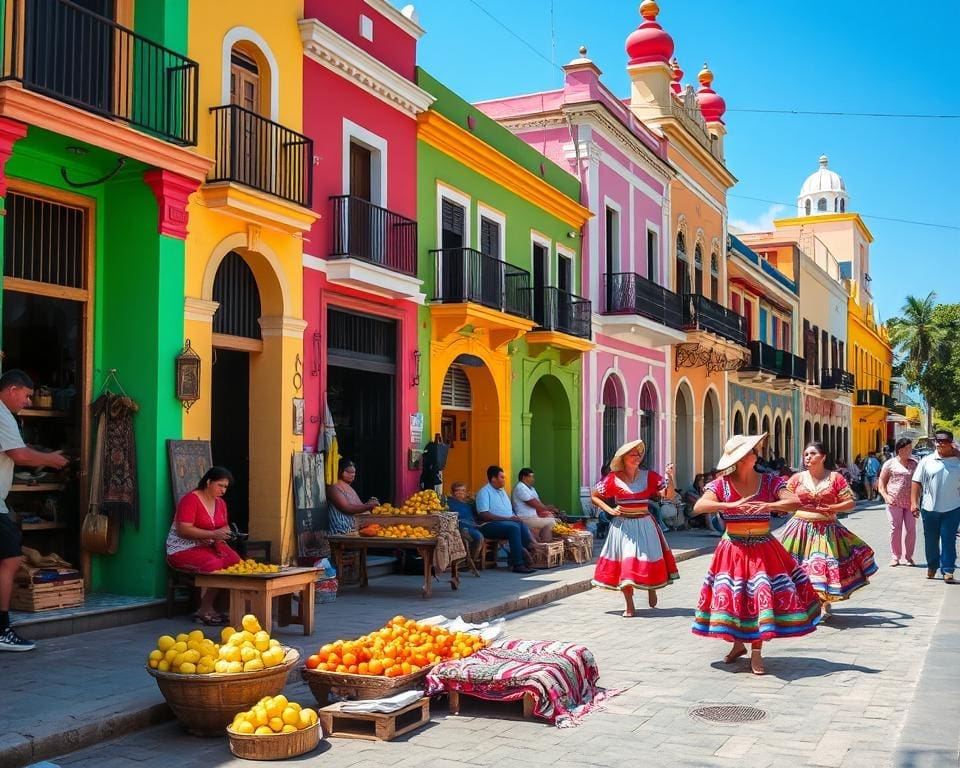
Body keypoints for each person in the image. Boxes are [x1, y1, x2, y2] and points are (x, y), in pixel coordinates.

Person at [691, 433, 820, 676]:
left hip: (763, 547)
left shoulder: (770, 482)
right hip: (733, 549)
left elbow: (793, 502)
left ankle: (757, 652)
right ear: (740, 459)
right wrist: (728, 506)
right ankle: (738, 645)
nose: (755, 454)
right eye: (751, 451)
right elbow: (699, 506)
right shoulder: (720, 485)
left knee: (760, 596)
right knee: (737, 597)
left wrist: (769, 505)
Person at [0, 370, 70, 651]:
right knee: (11, 559)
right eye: (27, 395)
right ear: (13, 389)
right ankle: (2, 629)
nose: (28, 402)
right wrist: (50, 460)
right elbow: (19, 454)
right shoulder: (2, 413)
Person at [778, 442, 877, 616]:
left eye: (813, 453)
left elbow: (850, 502)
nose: (808, 457)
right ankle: (807, 600)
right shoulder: (796, 479)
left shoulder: (835, 478)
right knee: (799, 567)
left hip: (826, 530)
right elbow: (784, 499)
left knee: (820, 566)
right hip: (799, 529)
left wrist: (833, 508)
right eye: (806, 454)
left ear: (823, 457)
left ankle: (821, 600)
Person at [590, 439, 678, 617]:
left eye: (639, 454)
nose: (637, 457)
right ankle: (629, 605)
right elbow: (595, 495)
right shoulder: (612, 478)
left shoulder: (650, 476)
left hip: (645, 524)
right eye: (633, 454)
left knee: (647, 559)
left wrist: (669, 477)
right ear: (623, 458)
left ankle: (650, 588)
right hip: (622, 527)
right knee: (627, 564)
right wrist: (610, 510)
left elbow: (668, 495)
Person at [165, 466, 242, 626]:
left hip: (210, 545)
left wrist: (221, 536)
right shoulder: (191, 499)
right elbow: (183, 529)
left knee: (235, 562)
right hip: (183, 548)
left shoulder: (220, 503)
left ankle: (222, 608)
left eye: (225, 487)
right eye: (220, 485)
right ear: (208, 482)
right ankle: (204, 609)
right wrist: (211, 535)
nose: (223, 490)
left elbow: (224, 527)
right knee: (215, 565)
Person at [911, 429, 960, 582]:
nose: (940, 444)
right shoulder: (927, 460)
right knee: (931, 540)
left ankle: (948, 570)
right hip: (929, 508)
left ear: (951, 443)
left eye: (944, 441)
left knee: (949, 538)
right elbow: (916, 482)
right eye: (938, 441)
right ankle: (932, 566)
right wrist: (914, 503)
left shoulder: (958, 461)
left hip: (953, 507)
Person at [475, 465, 536, 574]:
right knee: (513, 528)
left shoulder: (502, 492)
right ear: (493, 479)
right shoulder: (484, 492)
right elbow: (484, 515)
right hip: (489, 525)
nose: (504, 480)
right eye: (502, 477)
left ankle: (530, 555)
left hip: (505, 523)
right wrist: (507, 518)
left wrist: (513, 517)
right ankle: (518, 564)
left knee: (521, 524)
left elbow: (509, 510)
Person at [877, 438, 918, 567]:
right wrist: (886, 496)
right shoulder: (890, 463)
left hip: (911, 502)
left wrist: (917, 501)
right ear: (899, 450)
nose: (909, 451)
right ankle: (895, 556)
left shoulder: (914, 464)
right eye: (906, 448)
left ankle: (909, 557)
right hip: (894, 501)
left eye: (910, 448)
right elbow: (881, 483)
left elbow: (918, 483)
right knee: (896, 529)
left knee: (911, 529)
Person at [327, 459, 379, 535]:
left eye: (353, 472)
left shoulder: (349, 488)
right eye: (348, 472)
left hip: (353, 531)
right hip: (340, 533)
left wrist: (370, 504)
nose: (352, 475)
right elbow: (346, 508)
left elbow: (360, 507)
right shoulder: (333, 487)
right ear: (339, 471)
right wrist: (368, 506)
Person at [511, 468, 558, 543]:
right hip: (524, 518)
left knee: (551, 517)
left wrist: (547, 511)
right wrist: (547, 508)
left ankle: (542, 544)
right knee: (550, 521)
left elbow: (538, 503)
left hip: (533, 516)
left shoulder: (530, 488)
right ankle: (545, 545)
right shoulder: (520, 487)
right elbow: (532, 503)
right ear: (524, 477)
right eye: (531, 477)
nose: (533, 479)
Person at [447, 481, 484, 561]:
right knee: (478, 537)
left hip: (473, 526)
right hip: (460, 527)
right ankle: (469, 562)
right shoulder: (449, 503)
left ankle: (473, 560)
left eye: (463, 490)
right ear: (453, 492)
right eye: (458, 490)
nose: (461, 492)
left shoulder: (468, 504)